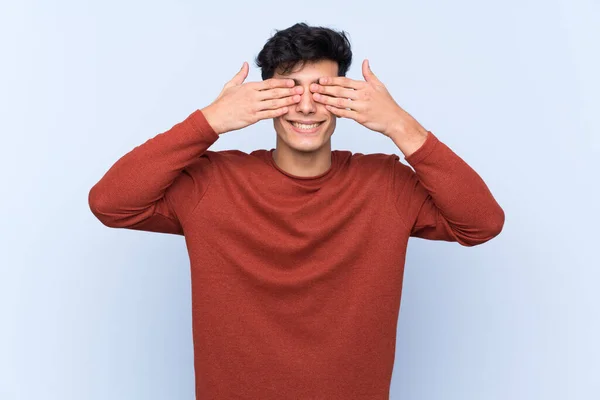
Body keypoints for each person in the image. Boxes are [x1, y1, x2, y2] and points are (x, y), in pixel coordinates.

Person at [89, 22, 504, 400]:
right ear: (263, 97)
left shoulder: (386, 185)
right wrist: (209, 121)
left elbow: (482, 223)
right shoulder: (211, 183)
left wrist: (400, 124)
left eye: (322, 90)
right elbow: (111, 203)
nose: (306, 106)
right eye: (289, 89)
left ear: (345, 97)